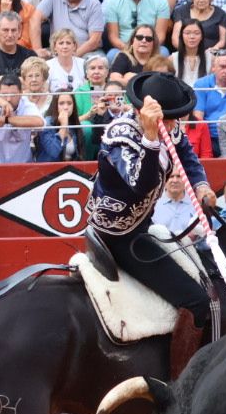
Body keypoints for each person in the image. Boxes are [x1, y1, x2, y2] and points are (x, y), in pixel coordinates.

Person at [85, 71, 217, 375]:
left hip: (141, 225)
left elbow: (186, 155)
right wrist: (150, 139)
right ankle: (179, 385)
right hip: (118, 234)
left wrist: (200, 185)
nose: (173, 126)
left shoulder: (170, 127)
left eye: (174, 120)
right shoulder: (120, 135)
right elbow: (140, 185)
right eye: (168, 120)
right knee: (196, 301)